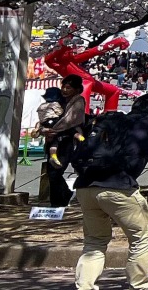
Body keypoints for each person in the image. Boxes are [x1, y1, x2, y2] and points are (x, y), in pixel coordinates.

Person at [72, 94, 148, 290]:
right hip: (119, 188)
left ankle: (84, 286)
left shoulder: (113, 118)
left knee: (94, 241)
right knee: (143, 236)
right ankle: (139, 284)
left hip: (86, 187)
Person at [40, 74, 89, 208]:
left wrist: (52, 129)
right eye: (63, 86)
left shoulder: (78, 101)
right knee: (52, 172)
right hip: (54, 138)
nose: (65, 90)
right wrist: (44, 128)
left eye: (69, 87)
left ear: (77, 89)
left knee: (56, 171)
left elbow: (70, 121)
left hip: (68, 140)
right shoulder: (58, 100)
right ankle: (60, 198)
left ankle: (59, 201)